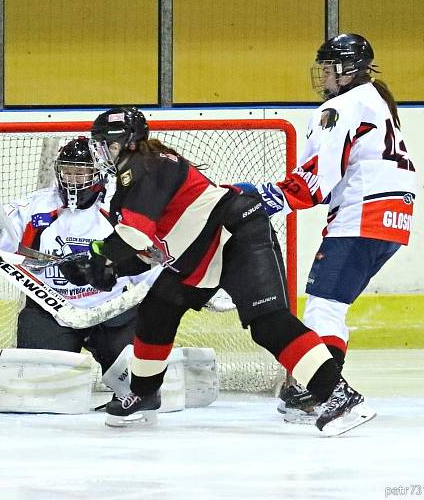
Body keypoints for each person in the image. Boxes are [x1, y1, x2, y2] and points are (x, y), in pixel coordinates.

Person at [58, 106, 375, 436]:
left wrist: (97, 258)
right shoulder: (133, 177)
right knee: (158, 307)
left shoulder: (146, 166)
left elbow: (133, 236)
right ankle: (143, 392)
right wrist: (108, 271)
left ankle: (340, 395)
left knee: (268, 323)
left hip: (237, 234)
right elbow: (149, 249)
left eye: (101, 144)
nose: (97, 153)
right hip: (201, 253)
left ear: (123, 143)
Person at [235, 33, 417, 419]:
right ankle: (320, 388)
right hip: (393, 218)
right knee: (333, 306)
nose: (323, 77)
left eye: (329, 68)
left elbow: (318, 178)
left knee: (323, 307)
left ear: (348, 70)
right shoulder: (374, 101)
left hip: (362, 216)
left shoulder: (341, 107)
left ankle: (324, 391)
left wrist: (266, 199)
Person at [0, 137, 159, 378]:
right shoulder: (34, 206)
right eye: (67, 172)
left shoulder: (121, 205)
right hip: (51, 309)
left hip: (113, 310)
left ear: (98, 174)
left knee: (137, 382)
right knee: (37, 386)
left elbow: (149, 257)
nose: (72, 180)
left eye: (81, 173)